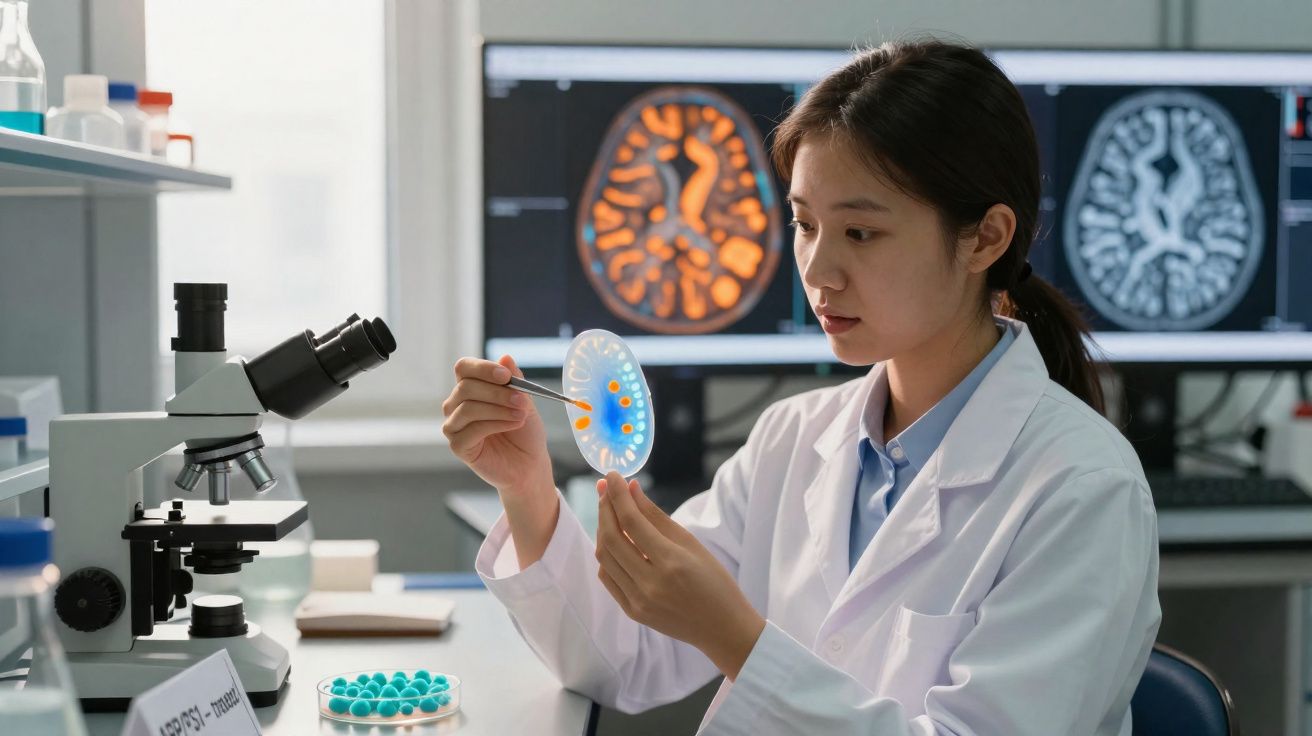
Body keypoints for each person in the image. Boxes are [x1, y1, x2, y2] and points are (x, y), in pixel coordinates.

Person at [442, 38, 1160, 735]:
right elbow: (624, 660)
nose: (816, 271)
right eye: (804, 223)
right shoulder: (793, 439)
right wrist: (526, 489)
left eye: (860, 233)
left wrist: (736, 640)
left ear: (986, 238)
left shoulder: (1083, 489)